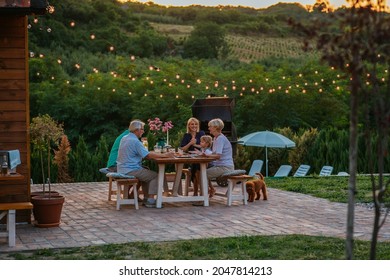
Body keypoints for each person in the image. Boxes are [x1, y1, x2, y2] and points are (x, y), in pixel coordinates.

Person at [117, 119, 172, 208]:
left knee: (146, 172)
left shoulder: (125, 138)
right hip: (130, 170)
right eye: (142, 129)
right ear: (136, 130)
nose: (143, 131)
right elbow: (148, 155)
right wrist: (166, 155)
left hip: (122, 168)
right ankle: (150, 200)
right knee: (155, 176)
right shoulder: (135, 141)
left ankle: (147, 198)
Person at [206, 118, 234, 195]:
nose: (209, 128)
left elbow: (218, 156)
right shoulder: (216, 138)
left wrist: (207, 155)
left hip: (225, 167)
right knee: (200, 172)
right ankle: (209, 191)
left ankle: (204, 196)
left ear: (215, 127)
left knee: (202, 174)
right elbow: (214, 153)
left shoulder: (220, 139)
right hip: (220, 166)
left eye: (210, 126)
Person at [180, 117, 205, 194]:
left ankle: (197, 191)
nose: (194, 126)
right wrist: (190, 143)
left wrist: (195, 145)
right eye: (192, 124)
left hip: (201, 157)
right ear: (189, 126)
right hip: (191, 157)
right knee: (195, 167)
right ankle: (198, 191)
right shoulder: (187, 135)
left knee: (196, 168)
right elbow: (182, 149)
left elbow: (205, 146)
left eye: (196, 124)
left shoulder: (201, 134)